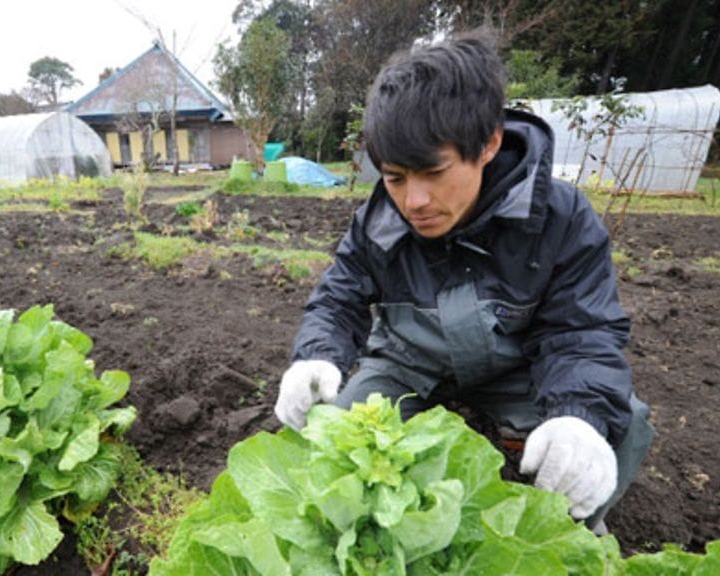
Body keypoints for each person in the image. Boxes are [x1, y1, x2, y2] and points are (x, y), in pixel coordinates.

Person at [273, 31, 654, 532]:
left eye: (433, 172)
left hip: (515, 369)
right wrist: (316, 356)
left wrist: (577, 415)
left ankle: (567, 538)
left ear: (489, 143)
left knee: (617, 430)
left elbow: (580, 333)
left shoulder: (561, 217)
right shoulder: (378, 219)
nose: (414, 202)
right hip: (408, 364)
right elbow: (339, 297)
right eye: (395, 177)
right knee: (336, 442)